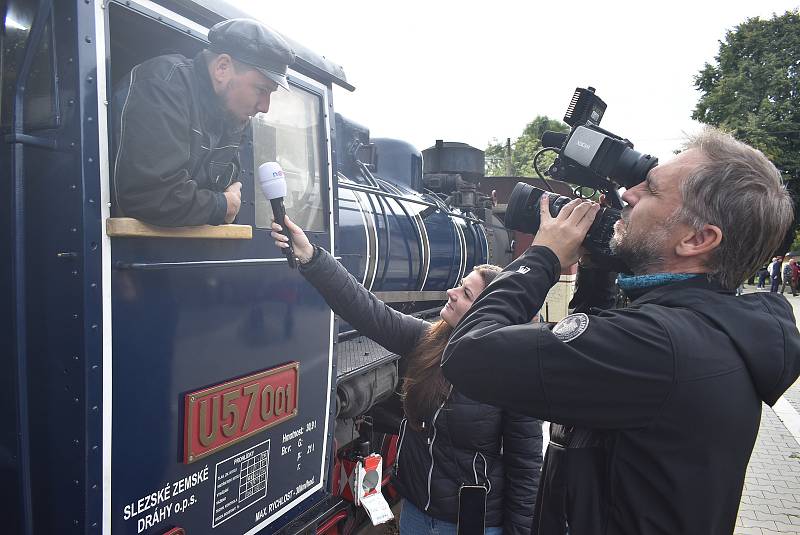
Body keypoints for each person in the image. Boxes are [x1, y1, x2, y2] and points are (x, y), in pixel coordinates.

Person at [440, 128, 800, 534]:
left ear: (697, 239)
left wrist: (542, 256)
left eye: (652, 189)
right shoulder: (711, 330)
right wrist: (599, 266)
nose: (628, 194)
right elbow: (596, 354)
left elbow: (468, 355)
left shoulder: (658, 346)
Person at [271, 218, 543, 535]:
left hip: (470, 524)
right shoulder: (427, 340)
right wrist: (313, 257)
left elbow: (526, 470)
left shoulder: (514, 374)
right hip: (415, 510)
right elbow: (366, 309)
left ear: (487, 310)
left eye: (465, 292)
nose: (451, 292)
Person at [111, 18, 295, 226]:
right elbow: (152, 195)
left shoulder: (232, 114)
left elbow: (222, 184)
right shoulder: (163, 85)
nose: (265, 107)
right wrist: (224, 206)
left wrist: (212, 200)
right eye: (261, 90)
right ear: (222, 68)